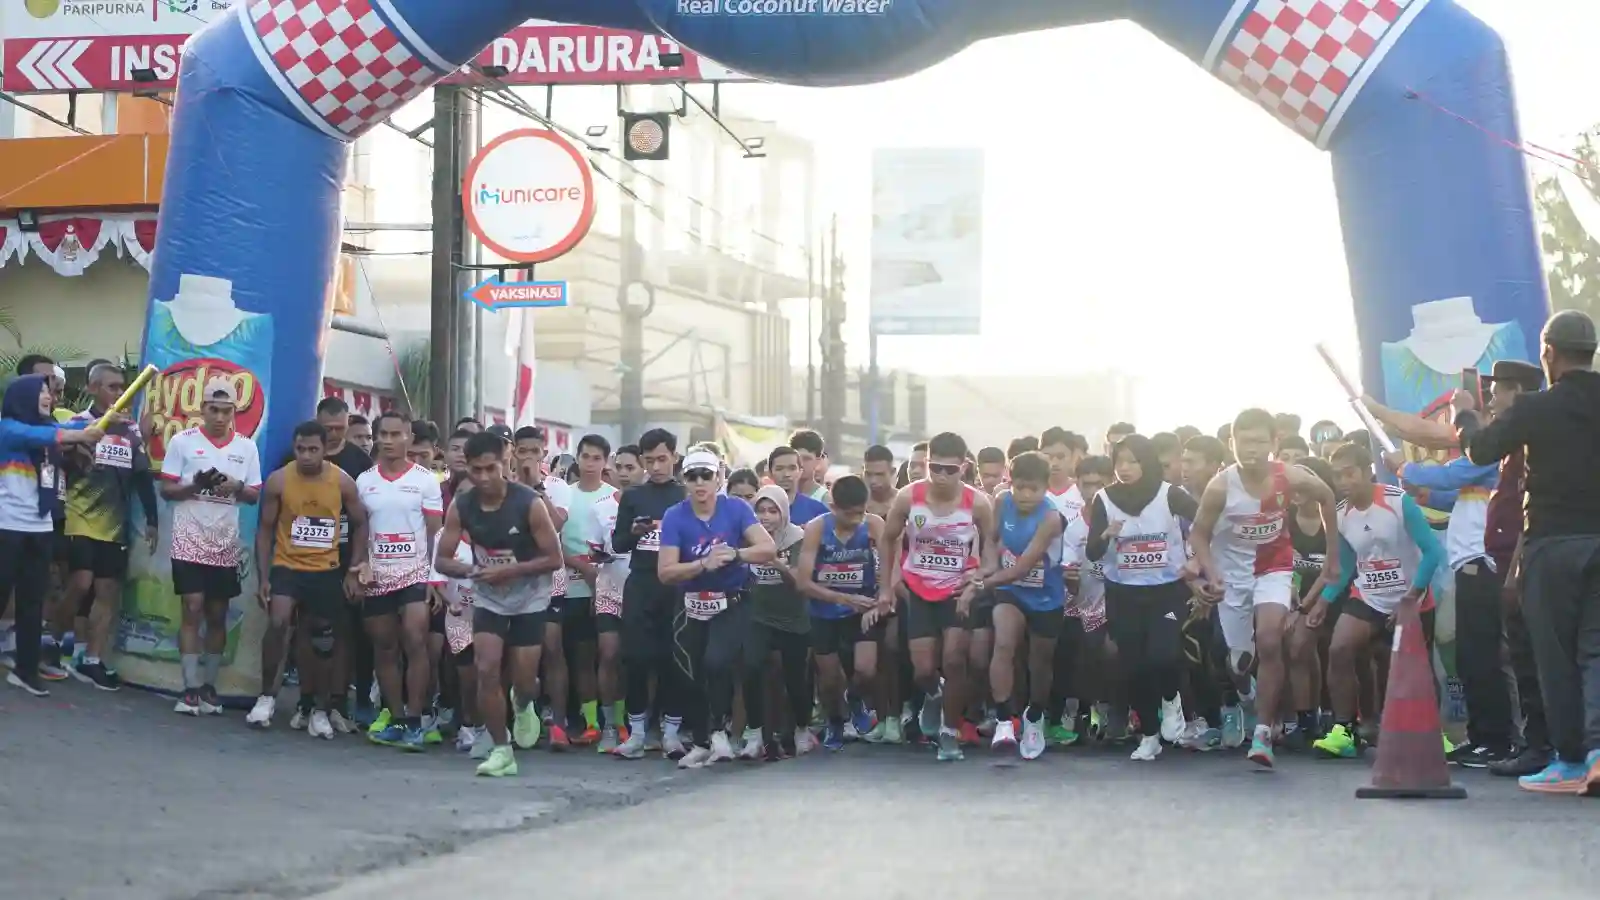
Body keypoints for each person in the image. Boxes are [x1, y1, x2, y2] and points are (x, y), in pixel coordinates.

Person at [1460, 309, 1600, 794]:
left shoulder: (1535, 407)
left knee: (1555, 656)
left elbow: (1479, 450)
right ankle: (1599, 752)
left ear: (1549, 353)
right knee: (1595, 649)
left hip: (1553, 545)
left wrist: (1465, 417)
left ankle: (1568, 761)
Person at [1187, 409, 1338, 767]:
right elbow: (1199, 534)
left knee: (1270, 639)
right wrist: (1211, 574)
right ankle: (1245, 693)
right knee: (1239, 663)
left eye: (1259, 441)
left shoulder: (1289, 476)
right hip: (1233, 577)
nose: (1251, 449)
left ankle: (1263, 734)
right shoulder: (1220, 486)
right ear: (1232, 444)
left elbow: (1327, 496)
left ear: (1273, 444)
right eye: (1244, 442)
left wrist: (1333, 554)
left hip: (1274, 567)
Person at [435, 432, 564, 777]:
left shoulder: (528, 503)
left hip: (529, 596)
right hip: (489, 596)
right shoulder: (462, 505)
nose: (484, 477)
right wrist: (473, 570)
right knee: (486, 668)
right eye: (476, 470)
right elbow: (441, 560)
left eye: (491, 468)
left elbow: (554, 557)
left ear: (504, 463)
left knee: (523, 680)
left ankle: (523, 705)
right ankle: (501, 749)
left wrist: (513, 570)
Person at [1310, 442, 1443, 761]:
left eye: (1350, 473)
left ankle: (1432, 733)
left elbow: (1434, 552)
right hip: (1368, 595)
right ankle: (1344, 730)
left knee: (1415, 669)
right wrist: (1323, 602)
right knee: (1339, 649)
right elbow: (1342, 568)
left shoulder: (1399, 503)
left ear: (1367, 471)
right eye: (1337, 476)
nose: (1344, 481)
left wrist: (1410, 598)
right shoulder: (1339, 515)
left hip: (1411, 596)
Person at [1388, 412, 1507, 767]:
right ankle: (1483, 737)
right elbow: (1454, 495)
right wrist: (1423, 493)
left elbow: (1450, 475)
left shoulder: (1488, 456)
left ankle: (1496, 740)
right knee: (1470, 656)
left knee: (1482, 657)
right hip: (1467, 567)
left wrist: (1405, 470)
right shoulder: (1478, 472)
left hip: (1481, 566)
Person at [657, 447, 777, 769]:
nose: (699, 483)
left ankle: (725, 732)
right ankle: (702, 740)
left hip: (732, 600)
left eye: (706, 475)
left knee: (717, 661)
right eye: (692, 476)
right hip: (691, 602)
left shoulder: (735, 509)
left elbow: (767, 548)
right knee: (690, 673)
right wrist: (701, 564)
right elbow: (666, 571)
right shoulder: (674, 516)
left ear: (719, 477)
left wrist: (736, 555)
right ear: (684, 480)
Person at [878, 431, 995, 762]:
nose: (942, 476)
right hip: (918, 589)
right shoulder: (907, 497)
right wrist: (886, 587)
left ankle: (948, 732)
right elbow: (888, 540)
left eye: (950, 470)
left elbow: (992, 550)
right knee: (924, 670)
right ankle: (934, 694)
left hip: (957, 591)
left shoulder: (979, 503)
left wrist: (978, 578)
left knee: (955, 660)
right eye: (935, 468)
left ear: (964, 467)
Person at [249, 421, 366, 736]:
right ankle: (266, 698)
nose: (306, 456)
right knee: (278, 621)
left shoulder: (342, 482)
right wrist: (264, 576)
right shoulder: (279, 481)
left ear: (326, 449)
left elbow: (361, 525)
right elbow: (264, 530)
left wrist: (355, 568)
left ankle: (319, 709)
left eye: (313, 449)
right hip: (287, 566)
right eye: (301, 449)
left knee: (322, 638)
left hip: (326, 569)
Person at [1086, 435, 1199, 761]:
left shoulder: (1170, 494)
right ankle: (1149, 734)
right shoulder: (1104, 499)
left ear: (1147, 462)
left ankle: (1170, 698)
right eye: (1119, 461)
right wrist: (1107, 534)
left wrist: (1196, 559)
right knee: (1133, 665)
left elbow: (1207, 521)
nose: (1124, 468)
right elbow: (1093, 551)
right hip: (1123, 591)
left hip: (1166, 590)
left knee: (1162, 656)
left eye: (1133, 461)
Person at [49, 363, 158, 690]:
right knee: (81, 583)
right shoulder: (78, 425)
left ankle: (92, 660)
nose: (118, 393)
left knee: (108, 590)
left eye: (121, 386)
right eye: (111, 386)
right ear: (93, 388)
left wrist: (152, 518)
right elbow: (59, 466)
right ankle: (52, 642)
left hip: (115, 524)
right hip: (79, 517)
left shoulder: (129, 431)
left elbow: (141, 475)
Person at [160, 377, 262, 714]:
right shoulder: (183, 442)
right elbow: (167, 490)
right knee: (191, 607)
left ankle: (209, 686)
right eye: (213, 409)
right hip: (188, 539)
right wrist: (197, 484)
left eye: (226, 410)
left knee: (217, 614)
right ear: (202, 409)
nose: (219, 417)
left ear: (235, 411)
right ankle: (188, 687)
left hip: (224, 544)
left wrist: (235, 486)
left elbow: (253, 496)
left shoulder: (246, 448)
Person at [0, 376, 108, 696]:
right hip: (7, 525)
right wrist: (80, 434)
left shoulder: (52, 438)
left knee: (33, 603)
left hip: (42, 526)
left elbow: (59, 465)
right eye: (42, 391)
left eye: (49, 391)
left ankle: (25, 670)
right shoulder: (8, 428)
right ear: (23, 396)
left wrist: (81, 453)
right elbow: (37, 435)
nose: (49, 397)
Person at [354, 410, 443, 750]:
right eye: (384, 435)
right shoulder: (365, 481)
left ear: (409, 437)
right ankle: (396, 716)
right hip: (378, 577)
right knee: (385, 648)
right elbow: (362, 530)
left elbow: (436, 533)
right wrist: (359, 565)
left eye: (396, 434)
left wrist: (435, 579)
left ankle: (417, 719)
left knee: (415, 640)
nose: (389, 441)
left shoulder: (425, 481)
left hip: (416, 574)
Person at [981, 451, 1066, 759]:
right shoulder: (1001, 501)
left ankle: (1034, 717)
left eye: (1034, 489)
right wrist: (989, 566)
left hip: (1046, 595)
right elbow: (990, 538)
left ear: (1046, 488)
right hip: (1009, 590)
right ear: (1011, 483)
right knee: (1003, 644)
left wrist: (982, 582)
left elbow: (1023, 567)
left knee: (1039, 663)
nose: (1026, 495)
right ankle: (1004, 719)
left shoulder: (1050, 518)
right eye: (1020, 487)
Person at [611, 429, 688, 760]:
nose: (656, 466)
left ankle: (671, 733)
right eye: (649, 460)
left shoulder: (686, 495)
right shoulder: (633, 496)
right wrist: (635, 531)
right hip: (641, 581)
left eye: (662, 459)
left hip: (677, 584)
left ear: (674, 457)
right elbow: (617, 544)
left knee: (674, 659)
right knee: (636, 658)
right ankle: (637, 732)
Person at [796, 475, 884, 751]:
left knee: (866, 670)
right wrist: (843, 598)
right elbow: (803, 582)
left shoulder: (873, 525)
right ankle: (835, 720)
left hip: (863, 609)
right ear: (833, 507)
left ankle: (855, 698)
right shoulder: (816, 528)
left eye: (862, 511)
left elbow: (888, 571)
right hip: (825, 611)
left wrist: (880, 601)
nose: (858, 519)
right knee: (830, 678)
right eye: (850, 514)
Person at [745, 483, 815, 759]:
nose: (766, 517)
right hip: (758, 617)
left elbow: (800, 582)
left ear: (784, 513)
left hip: (794, 618)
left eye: (772, 511)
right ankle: (754, 734)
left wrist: (775, 561)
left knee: (796, 679)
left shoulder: (799, 538)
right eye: (760, 511)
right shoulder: (748, 537)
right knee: (750, 668)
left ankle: (800, 728)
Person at [316, 396, 374, 723]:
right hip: (306, 557)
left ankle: (349, 699)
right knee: (311, 628)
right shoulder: (299, 454)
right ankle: (310, 699)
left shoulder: (361, 463)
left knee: (352, 631)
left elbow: (366, 520)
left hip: (347, 557)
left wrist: (358, 565)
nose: (335, 435)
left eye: (340, 428)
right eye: (328, 429)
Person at [560, 434, 617, 746]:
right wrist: (579, 566)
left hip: (608, 587)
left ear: (605, 462)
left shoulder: (615, 498)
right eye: (585, 457)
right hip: (571, 586)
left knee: (611, 656)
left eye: (597, 458)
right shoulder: (564, 497)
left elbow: (621, 548)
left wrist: (600, 576)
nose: (590, 463)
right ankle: (591, 722)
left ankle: (616, 722)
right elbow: (553, 542)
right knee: (581, 657)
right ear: (577, 459)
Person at [1052, 455, 1113, 745]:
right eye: (1087, 484)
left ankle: (1112, 708)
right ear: (1078, 485)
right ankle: (1073, 709)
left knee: (1109, 649)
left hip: (1118, 604)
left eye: (1100, 484)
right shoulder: (1073, 527)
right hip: (1080, 605)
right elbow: (1068, 570)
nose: (1093, 491)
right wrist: (1070, 580)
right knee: (1070, 645)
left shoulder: (1123, 523)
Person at [766, 445, 829, 525]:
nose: (786, 474)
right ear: (770, 473)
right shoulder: (758, 509)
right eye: (779, 469)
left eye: (792, 468)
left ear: (800, 472)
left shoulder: (818, 511)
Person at [788, 429, 830, 503]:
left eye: (807, 459)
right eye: (797, 458)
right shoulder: (780, 495)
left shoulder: (825, 499)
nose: (801, 463)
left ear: (817, 461)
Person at [863, 445, 897, 518]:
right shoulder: (854, 502)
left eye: (879, 475)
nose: (873, 480)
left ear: (892, 472)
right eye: (868, 474)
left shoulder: (904, 502)